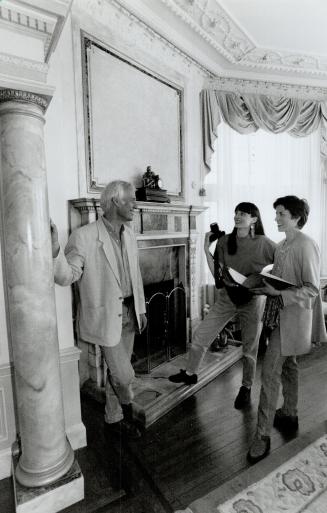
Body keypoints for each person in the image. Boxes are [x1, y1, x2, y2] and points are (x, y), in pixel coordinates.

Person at [51, 180, 147, 439]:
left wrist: (141, 309)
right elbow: (65, 276)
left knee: (119, 372)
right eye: (131, 201)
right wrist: (54, 251)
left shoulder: (129, 234)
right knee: (124, 376)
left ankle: (113, 418)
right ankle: (127, 414)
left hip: (129, 313)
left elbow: (134, 275)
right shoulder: (84, 236)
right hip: (104, 318)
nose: (135, 207)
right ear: (115, 202)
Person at [169, 202, 276, 409]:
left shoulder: (265, 244)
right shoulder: (225, 241)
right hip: (227, 298)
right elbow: (217, 276)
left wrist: (265, 283)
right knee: (200, 336)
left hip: (253, 300)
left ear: (254, 219)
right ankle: (190, 374)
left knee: (249, 348)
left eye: (243, 213)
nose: (237, 216)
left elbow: (281, 266)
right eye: (236, 212)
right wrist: (205, 249)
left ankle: (246, 387)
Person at [247, 196, 327, 463]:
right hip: (277, 315)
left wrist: (279, 296)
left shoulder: (307, 245)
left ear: (295, 216)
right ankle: (289, 412)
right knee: (289, 365)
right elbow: (280, 283)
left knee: (269, 373)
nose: (276, 218)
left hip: (292, 317)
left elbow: (312, 289)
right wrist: (260, 286)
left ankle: (262, 435)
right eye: (276, 213)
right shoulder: (282, 245)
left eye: (281, 214)